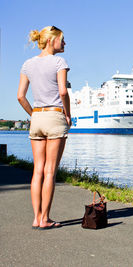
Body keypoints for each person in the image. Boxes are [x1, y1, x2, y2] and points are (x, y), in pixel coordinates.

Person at [17, 26, 71, 230]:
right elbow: (63, 92)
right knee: (50, 171)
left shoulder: (27, 64)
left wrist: (34, 114)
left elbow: (20, 96)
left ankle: (35, 218)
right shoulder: (59, 62)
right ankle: (45, 219)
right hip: (55, 115)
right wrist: (67, 115)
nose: (65, 43)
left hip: (37, 117)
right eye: (62, 40)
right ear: (51, 40)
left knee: (37, 170)